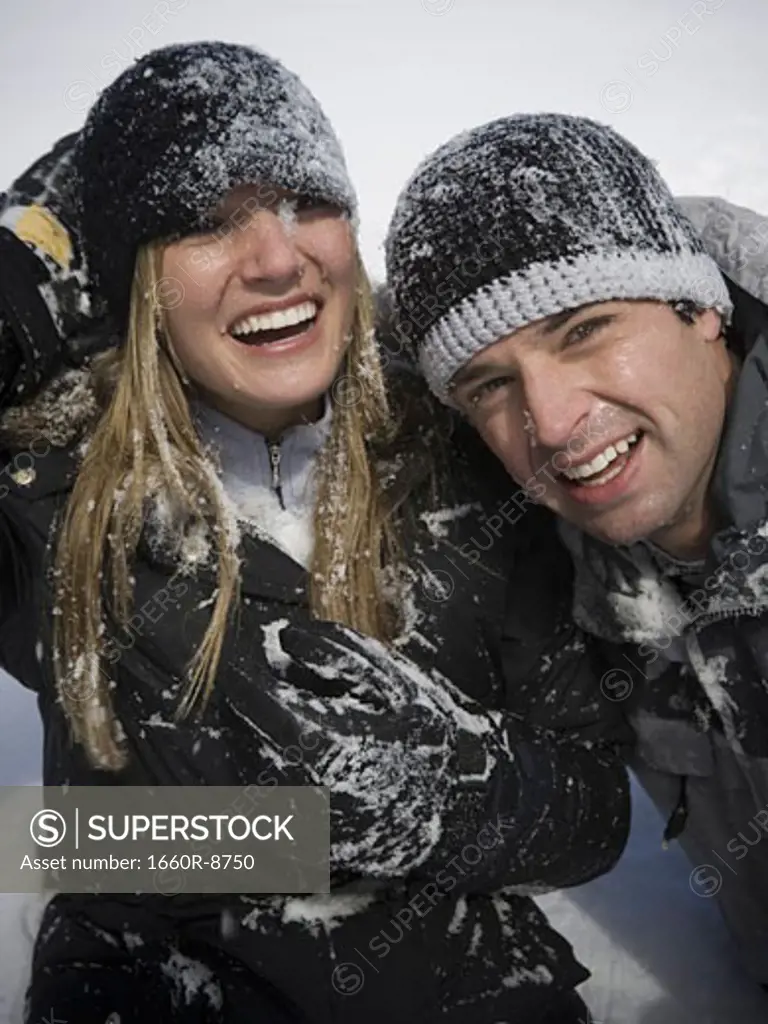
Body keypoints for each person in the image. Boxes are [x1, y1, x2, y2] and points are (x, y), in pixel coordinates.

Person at [0, 52, 630, 1023]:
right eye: (204, 220)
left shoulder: (476, 447)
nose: (276, 258)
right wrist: (20, 261)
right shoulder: (51, 498)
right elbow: (62, 845)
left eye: (306, 199)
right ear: (135, 281)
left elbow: (598, 809)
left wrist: (443, 791)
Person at [384, 112, 768, 993]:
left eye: (583, 329)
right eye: (490, 383)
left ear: (700, 305)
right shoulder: (544, 563)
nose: (552, 424)